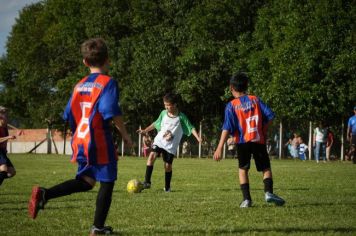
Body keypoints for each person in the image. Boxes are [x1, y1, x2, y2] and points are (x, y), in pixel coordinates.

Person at [28, 38, 132, 235]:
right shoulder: (108, 83)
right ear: (108, 59)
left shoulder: (79, 85)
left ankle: (45, 194)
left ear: (85, 62)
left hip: (82, 140)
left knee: (86, 181)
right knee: (107, 182)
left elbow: (69, 113)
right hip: (99, 139)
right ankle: (98, 228)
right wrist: (125, 135)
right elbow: (110, 110)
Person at [213, 72, 285, 208]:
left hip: (242, 142)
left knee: (243, 169)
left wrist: (220, 146)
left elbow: (226, 127)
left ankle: (246, 200)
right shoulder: (255, 99)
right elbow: (270, 115)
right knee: (265, 168)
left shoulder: (231, 105)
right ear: (246, 86)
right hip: (258, 140)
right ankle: (269, 193)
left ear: (231, 88)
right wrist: (263, 129)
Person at [137, 93, 202, 192]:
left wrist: (198, 137)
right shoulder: (163, 113)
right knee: (151, 157)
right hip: (159, 141)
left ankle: (167, 187)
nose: (166, 107)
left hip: (170, 146)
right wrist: (145, 130)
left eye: (168, 105)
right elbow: (156, 123)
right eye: (165, 105)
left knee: (167, 166)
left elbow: (191, 127)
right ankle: (147, 182)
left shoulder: (181, 117)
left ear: (175, 104)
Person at [0, 106, 17, 187]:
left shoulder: (5, 128)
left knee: (12, 172)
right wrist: (8, 137)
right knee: (3, 168)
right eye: (6, 116)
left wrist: (5, 150)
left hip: (2, 152)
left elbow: (4, 141)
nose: (8, 119)